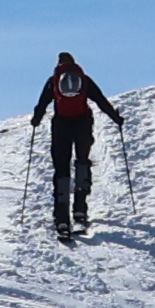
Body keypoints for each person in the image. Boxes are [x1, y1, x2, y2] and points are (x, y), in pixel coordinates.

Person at [30, 52, 106, 242]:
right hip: (83, 125)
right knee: (82, 162)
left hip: (61, 127)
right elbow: (100, 100)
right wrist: (117, 119)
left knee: (62, 169)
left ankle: (62, 219)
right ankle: (80, 211)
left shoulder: (53, 80)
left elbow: (42, 104)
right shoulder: (84, 80)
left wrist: (36, 120)